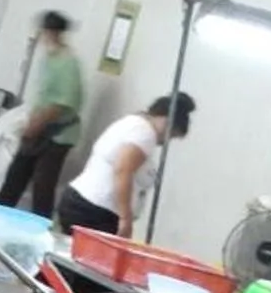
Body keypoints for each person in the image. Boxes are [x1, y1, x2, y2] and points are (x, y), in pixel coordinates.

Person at [60, 92, 193, 241]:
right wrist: (125, 218)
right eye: (171, 135)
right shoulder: (145, 134)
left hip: (82, 201)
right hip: (95, 210)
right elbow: (123, 170)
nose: (165, 141)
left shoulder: (132, 122)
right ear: (166, 122)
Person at [0, 11, 82, 218]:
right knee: (15, 178)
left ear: (52, 33)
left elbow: (60, 104)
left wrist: (36, 126)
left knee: (43, 187)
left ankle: (41, 231)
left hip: (57, 133)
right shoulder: (49, 58)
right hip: (39, 126)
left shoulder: (67, 63)